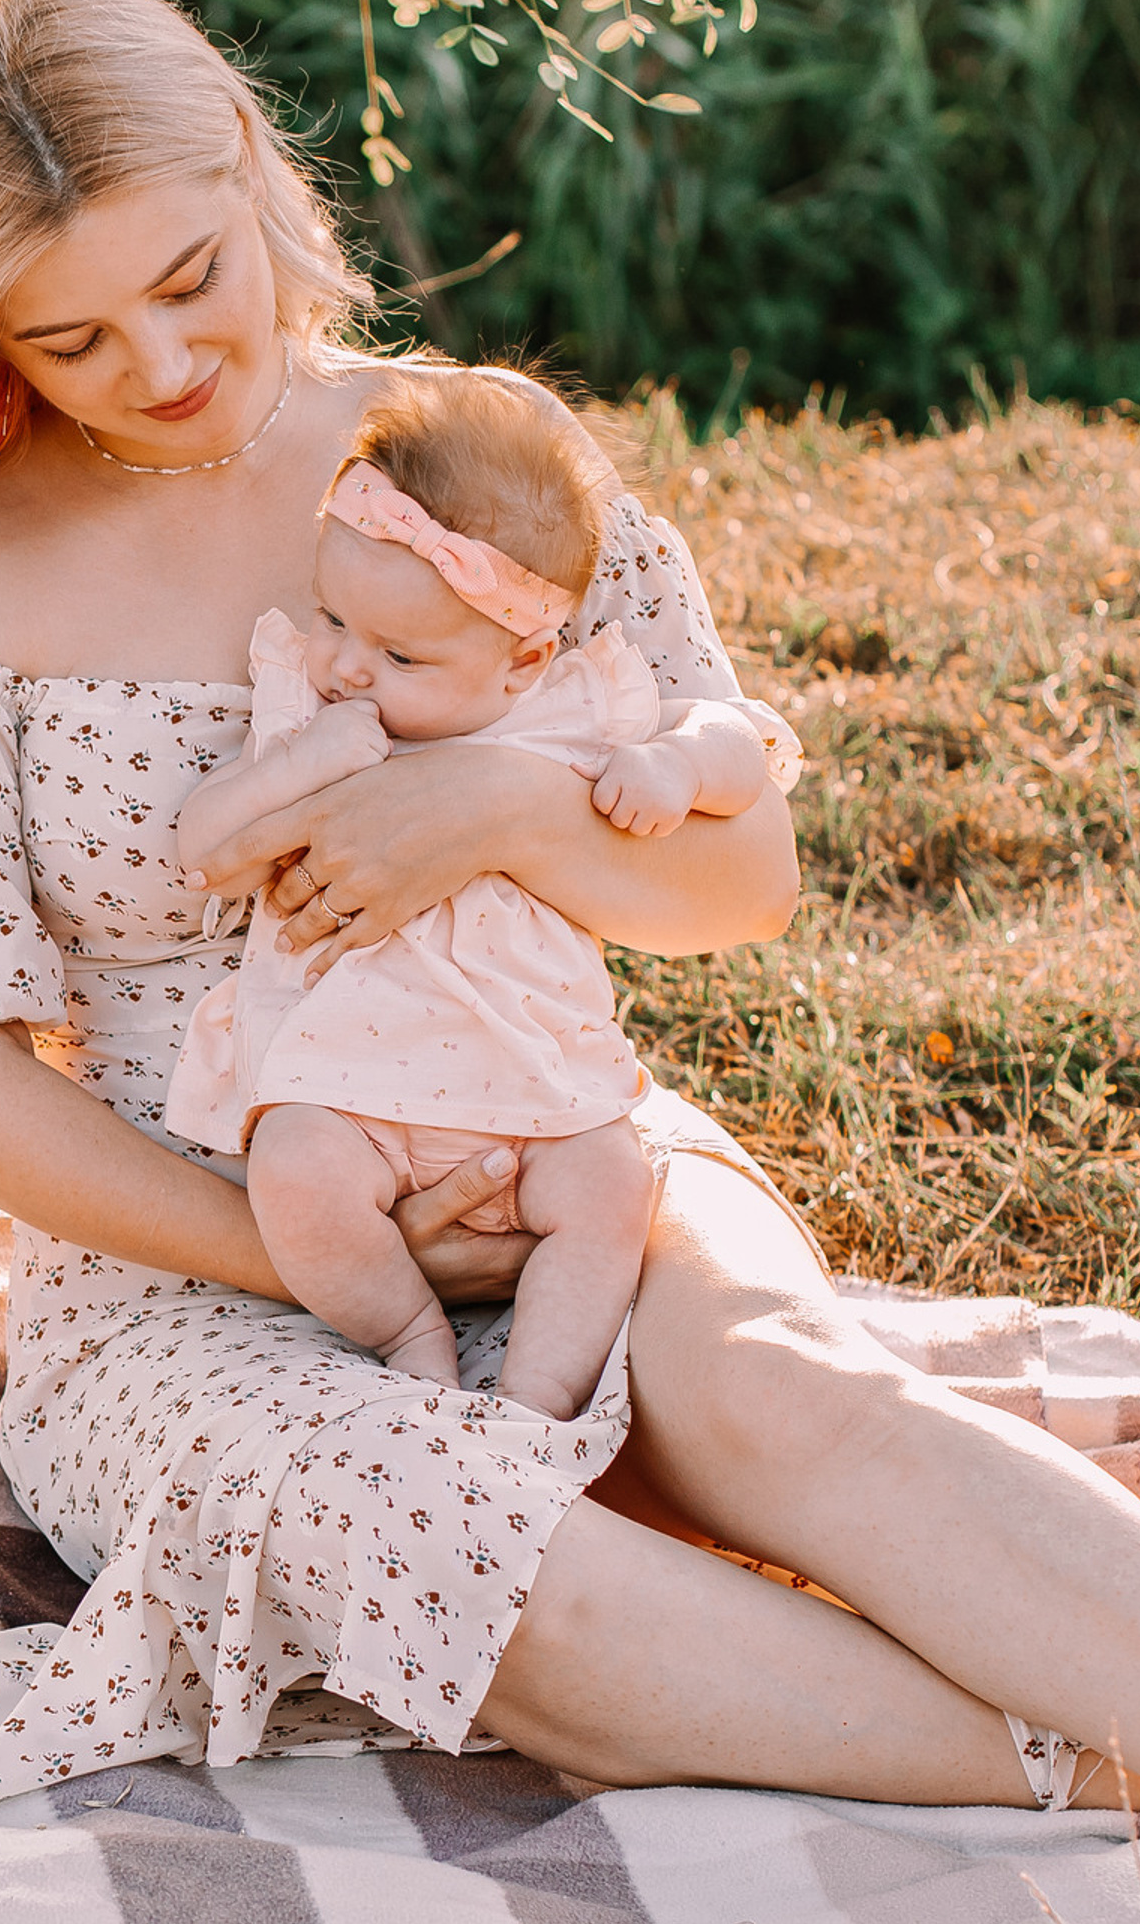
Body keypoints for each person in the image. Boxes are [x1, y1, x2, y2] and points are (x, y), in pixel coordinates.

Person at [0, 0, 1140, 1814]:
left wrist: (495, 803)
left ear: (246, 164)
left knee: (778, 1390)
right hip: (186, 1253)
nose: (165, 366)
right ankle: (1083, 1771)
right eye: (73, 340)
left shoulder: (479, 469)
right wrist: (306, 1248)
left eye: (191, 279)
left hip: (549, 1129)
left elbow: (742, 875)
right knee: (467, 1554)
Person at [164, 373, 790, 1419]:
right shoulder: (313, 712)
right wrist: (296, 765)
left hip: (539, 1082)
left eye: (399, 654)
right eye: (331, 618)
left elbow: (745, 744)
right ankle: (407, 1332)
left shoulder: (569, 707)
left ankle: (536, 1401)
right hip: (346, 1081)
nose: (346, 666)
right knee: (294, 1173)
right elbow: (204, 848)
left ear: (523, 658)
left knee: (611, 1190)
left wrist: (678, 767)